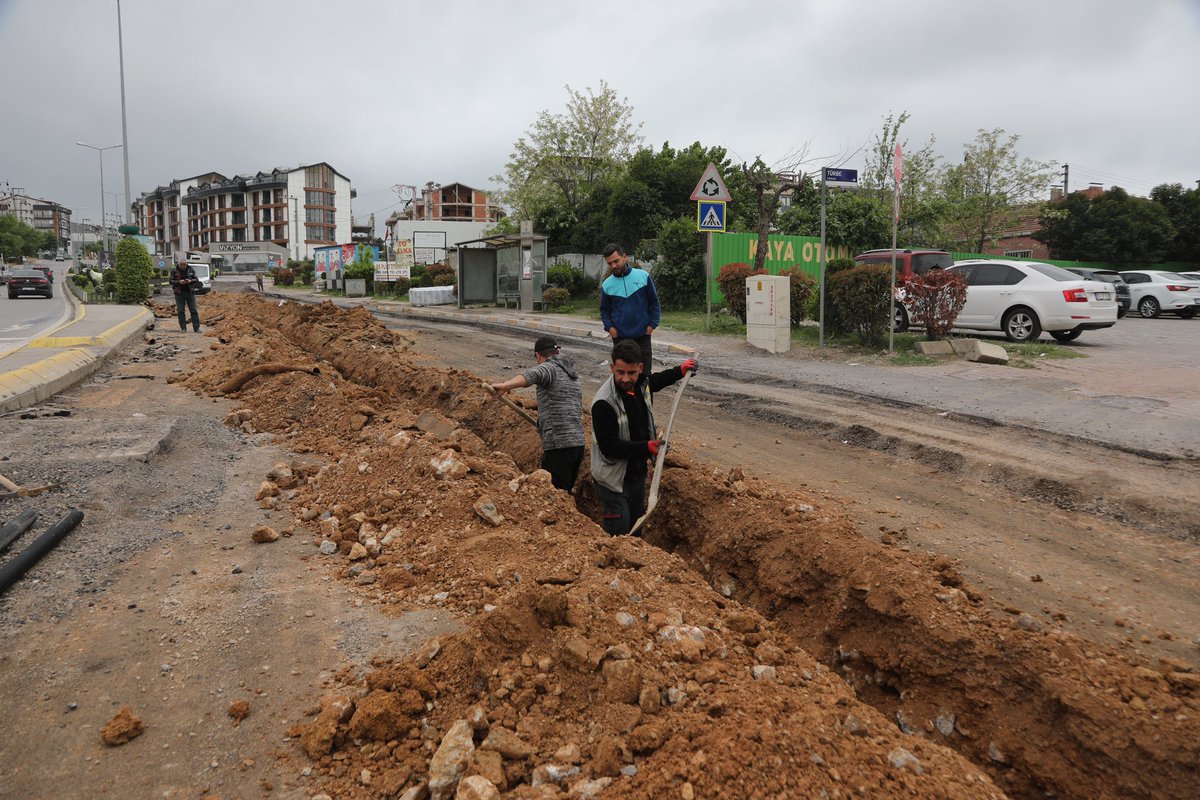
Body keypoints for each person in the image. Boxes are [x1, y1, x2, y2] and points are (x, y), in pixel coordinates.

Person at [590, 338, 696, 536]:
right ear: (612, 367)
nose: (626, 379)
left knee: (636, 531)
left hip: (636, 474)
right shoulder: (604, 403)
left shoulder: (641, 383)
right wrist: (646, 447)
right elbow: (609, 446)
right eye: (620, 372)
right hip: (612, 481)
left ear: (640, 368)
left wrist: (679, 371)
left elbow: (654, 382)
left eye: (631, 373)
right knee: (619, 537)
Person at [489, 336, 586, 493]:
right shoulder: (571, 374)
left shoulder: (550, 368)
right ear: (557, 351)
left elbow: (533, 375)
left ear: (538, 355)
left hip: (559, 445)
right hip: (578, 444)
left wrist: (506, 385)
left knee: (552, 495)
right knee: (564, 492)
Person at [600, 243, 661, 374]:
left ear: (625, 257)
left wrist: (651, 326)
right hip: (620, 339)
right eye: (609, 263)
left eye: (616, 261)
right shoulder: (607, 285)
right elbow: (604, 310)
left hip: (642, 337)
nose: (613, 266)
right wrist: (610, 329)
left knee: (645, 378)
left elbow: (654, 303)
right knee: (623, 379)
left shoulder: (643, 276)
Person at [170, 261, 202, 332]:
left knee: (193, 310)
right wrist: (179, 282)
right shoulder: (174, 270)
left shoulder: (190, 269)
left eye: (184, 265)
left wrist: (190, 281)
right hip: (179, 293)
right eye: (181, 265)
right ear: (179, 265)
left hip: (190, 292)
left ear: (186, 264)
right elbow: (170, 281)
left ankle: (196, 328)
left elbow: (196, 279)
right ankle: (183, 328)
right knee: (180, 311)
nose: (183, 267)